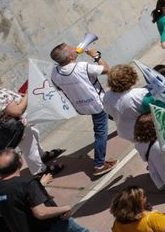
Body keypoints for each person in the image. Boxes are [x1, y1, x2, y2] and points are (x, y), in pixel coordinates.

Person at [47, 43, 115, 176]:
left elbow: (59, 88)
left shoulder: (54, 72)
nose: (75, 47)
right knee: (101, 133)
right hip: (97, 104)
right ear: (70, 57)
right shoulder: (82, 66)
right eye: (71, 48)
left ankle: (133, 123)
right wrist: (96, 56)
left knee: (113, 113)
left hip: (81, 106)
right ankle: (99, 165)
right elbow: (107, 70)